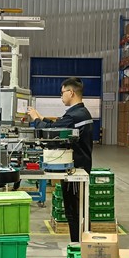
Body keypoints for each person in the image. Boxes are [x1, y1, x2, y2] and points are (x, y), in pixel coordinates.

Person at [27, 77, 93, 243]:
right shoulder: (79, 113)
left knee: (75, 211)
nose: (61, 96)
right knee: (78, 210)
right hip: (79, 165)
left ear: (71, 92)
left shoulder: (76, 114)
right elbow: (60, 125)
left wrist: (36, 120)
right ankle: (80, 246)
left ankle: (79, 248)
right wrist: (43, 119)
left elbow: (55, 131)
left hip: (76, 169)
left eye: (62, 92)